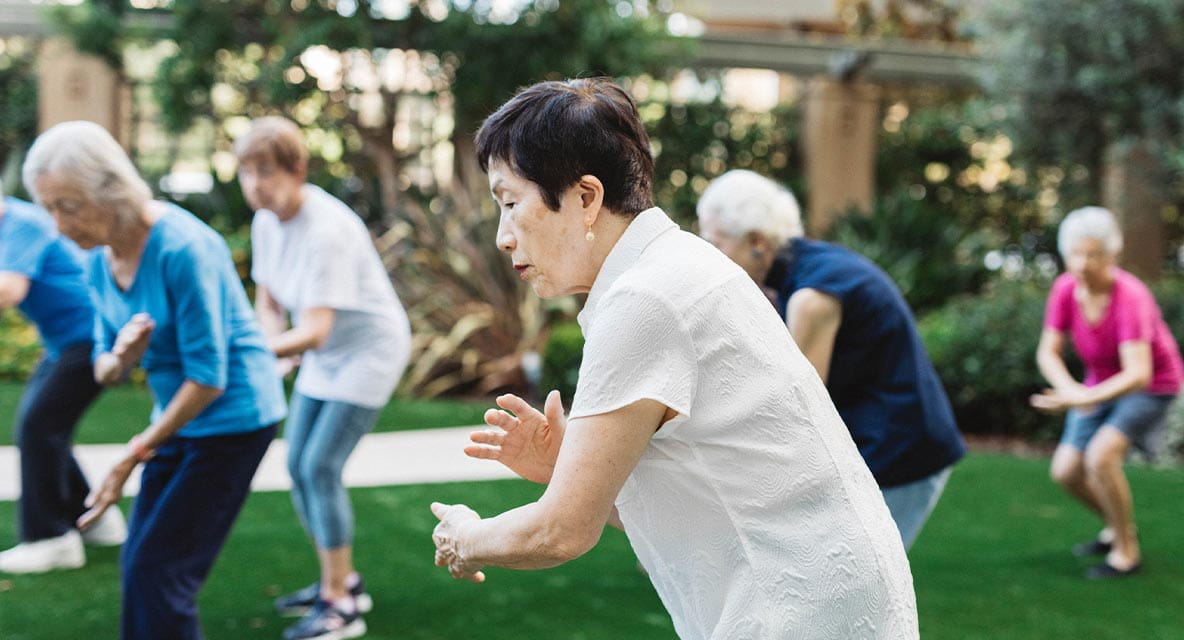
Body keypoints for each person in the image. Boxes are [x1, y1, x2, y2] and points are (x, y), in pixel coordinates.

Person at [429, 79, 917, 639]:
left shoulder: (645, 299)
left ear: (586, 198)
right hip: (819, 592)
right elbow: (705, 491)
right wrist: (573, 470)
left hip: (792, 609)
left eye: (511, 203)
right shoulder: (672, 267)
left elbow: (561, 531)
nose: (503, 237)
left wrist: (466, 538)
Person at [22, 120, 287, 638]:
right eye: (48, 207)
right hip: (177, 418)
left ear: (109, 190)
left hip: (234, 419)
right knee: (141, 566)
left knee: (161, 572)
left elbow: (208, 377)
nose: (57, 225)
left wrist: (131, 454)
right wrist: (121, 357)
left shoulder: (182, 248)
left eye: (66, 206)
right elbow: (103, 365)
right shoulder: (99, 259)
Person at [695, 169, 966, 550]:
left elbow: (795, 406)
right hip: (886, 437)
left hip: (901, 449)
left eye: (716, 244)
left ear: (757, 241)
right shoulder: (808, 265)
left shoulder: (812, 296)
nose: (712, 258)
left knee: (855, 578)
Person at [234, 116, 411, 640]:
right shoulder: (267, 221)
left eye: (265, 172)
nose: (254, 185)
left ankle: (341, 607)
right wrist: (270, 348)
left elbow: (313, 329)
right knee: (296, 463)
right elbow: (268, 301)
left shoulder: (327, 230)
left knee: (319, 467)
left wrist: (255, 351)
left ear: (297, 169)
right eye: (245, 172)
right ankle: (342, 580)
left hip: (367, 352)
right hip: (326, 351)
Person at [1031, 206, 1182, 579]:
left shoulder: (1130, 296)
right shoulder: (1066, 288)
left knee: (1101, 457)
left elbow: (1138, 373)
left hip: (1151, 387)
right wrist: (1070, 390)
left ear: (1112, 255)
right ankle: (1118, 526)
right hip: (1096, 385)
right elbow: (1047, 350)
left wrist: (1080, 399)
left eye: (1093, 255)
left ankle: (1126, 553)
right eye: (1076, 254)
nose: (1083, 264)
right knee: (1066, 472)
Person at [0, 189, 125, 574]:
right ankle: (95, 520)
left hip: (91, 334)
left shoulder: (23, 223)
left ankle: (52, 539)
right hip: (64, 341)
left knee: (40, 425)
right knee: (44, 426)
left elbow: (8, 289)